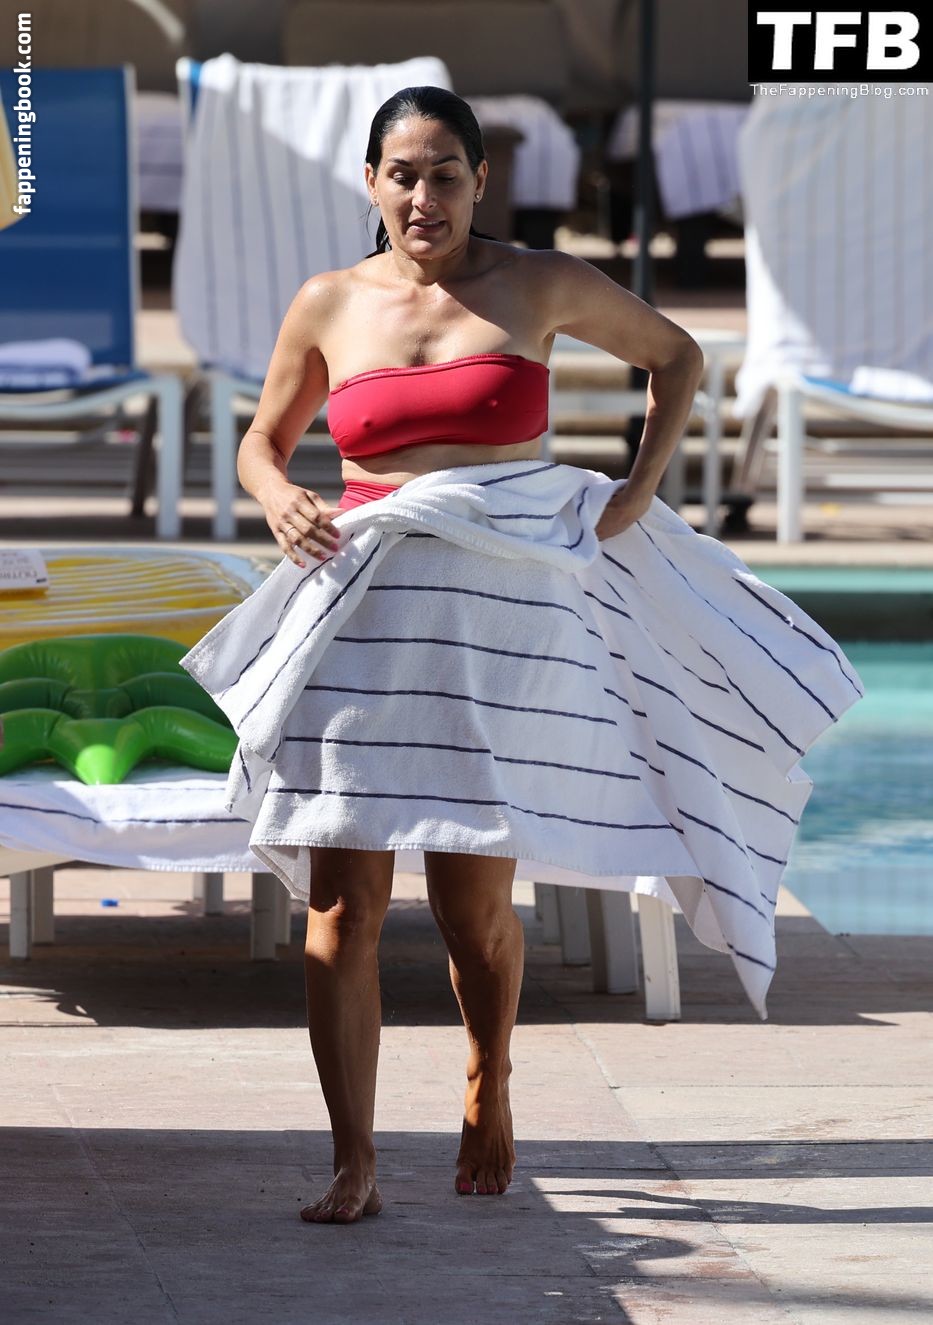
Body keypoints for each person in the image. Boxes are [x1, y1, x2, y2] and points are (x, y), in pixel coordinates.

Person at [182, 86, 862, 1226]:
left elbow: (677, 356)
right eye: (403, 174)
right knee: (343, 906)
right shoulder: (330, 300)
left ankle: (488, 1076)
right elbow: (264, 438)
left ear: (480, 180)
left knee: (472, 910)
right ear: (371, 183)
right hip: (364, 617)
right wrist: (277, 495)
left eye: (446, 173)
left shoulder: (538, 282)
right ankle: (354, 1157)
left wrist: (636, 492)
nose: (424, 196)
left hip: (498, 632)